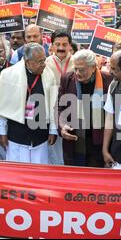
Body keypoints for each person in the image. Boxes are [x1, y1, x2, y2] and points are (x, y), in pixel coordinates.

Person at [0, 43, 57, 164]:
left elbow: (53, 104)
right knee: (16, 175)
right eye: (39, 61)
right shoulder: (8, 75)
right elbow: (3, 107)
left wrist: (53, 129)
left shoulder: (49, 74)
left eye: (44, 60)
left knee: (39, 174)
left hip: (40, 135)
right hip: (17, 135)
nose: (44, 64)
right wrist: (2, 132)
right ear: (27, 62)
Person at [57, 49, 113, 167]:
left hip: (99, 143)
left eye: (81, 69)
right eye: (75, 68)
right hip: (75, 141)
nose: (77, 73)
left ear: (93, 67)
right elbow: (59, 108)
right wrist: (62, 126)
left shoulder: (108, 80)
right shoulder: (67, 79)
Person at [45, 30, 75, 165]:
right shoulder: (44, 63)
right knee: (54, 155)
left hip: (73, 114)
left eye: (65, 44)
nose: (61, 48)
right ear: (51, 46)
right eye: (58, 44)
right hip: (51, 113)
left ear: (70, 46)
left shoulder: (78, 62)